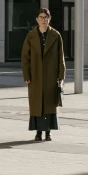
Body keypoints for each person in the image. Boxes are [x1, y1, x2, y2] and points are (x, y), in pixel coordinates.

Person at [21, 8, 66, 141]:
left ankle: (48, 132)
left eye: (45, 17)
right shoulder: (31, 35)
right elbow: (25, 57)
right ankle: (38, 132)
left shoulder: (56, 35)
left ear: (49, 19)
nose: (43, 19)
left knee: (49, 104)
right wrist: (26, 75)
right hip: (35, 76)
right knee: (37, 104)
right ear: (37, 19)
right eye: (40, 17)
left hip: (51, 76)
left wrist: (60, 76)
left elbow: (61, 57)